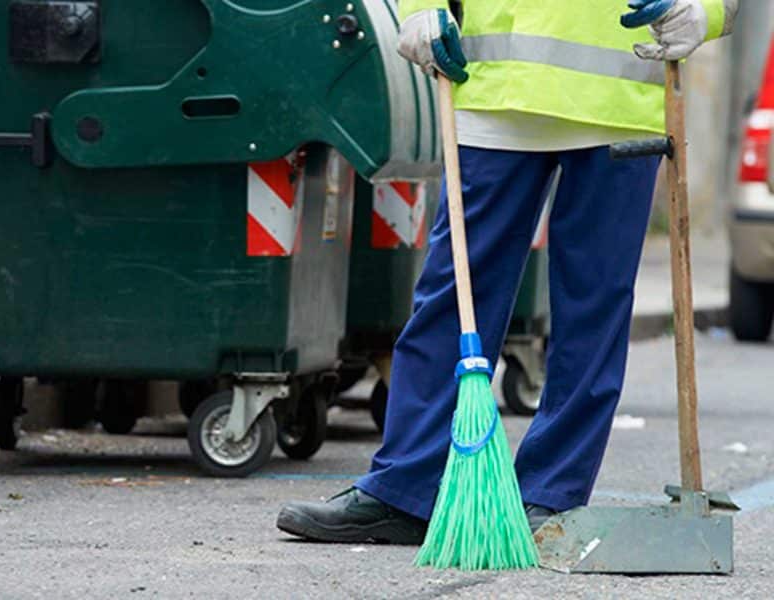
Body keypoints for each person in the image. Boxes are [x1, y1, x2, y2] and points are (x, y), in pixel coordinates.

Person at [277, 0, 738, 544]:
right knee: (452, 295)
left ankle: (550, 495)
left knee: (593, 309)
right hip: (495, 91)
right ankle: (404, 490)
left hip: (619, 98)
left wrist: (705, 10)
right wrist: (421, 8)